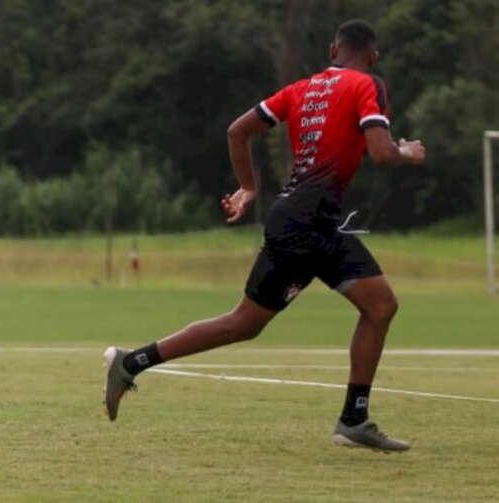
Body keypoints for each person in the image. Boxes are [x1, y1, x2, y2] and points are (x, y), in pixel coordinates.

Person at [103, 19, 426, 452]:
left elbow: (238, 130)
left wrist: (249, 187)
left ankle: (354, 419)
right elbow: (382, 153)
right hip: (307, 224)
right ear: (373, 56)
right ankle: (132, 361)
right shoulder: (368, 83)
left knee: (375, 306)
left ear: (332, 50)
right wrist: (409, 152)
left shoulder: (301, 89)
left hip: (308, 220)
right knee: (248, 322)